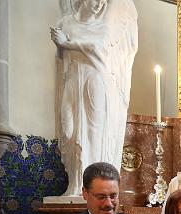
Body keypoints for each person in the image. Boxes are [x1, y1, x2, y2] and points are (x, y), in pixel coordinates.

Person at [50, 0, 137, 198]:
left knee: (93, 133)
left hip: (96, 81)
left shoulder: (104, 26)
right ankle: (75, 184)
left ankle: (92, 189)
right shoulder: (66, 23)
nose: (99, 4)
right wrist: (61, 45)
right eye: (96, 0)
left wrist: (68, 43)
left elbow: (102, 48)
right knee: (68, 130)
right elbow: (60, 57)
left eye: (103, 1)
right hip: (72, 80)